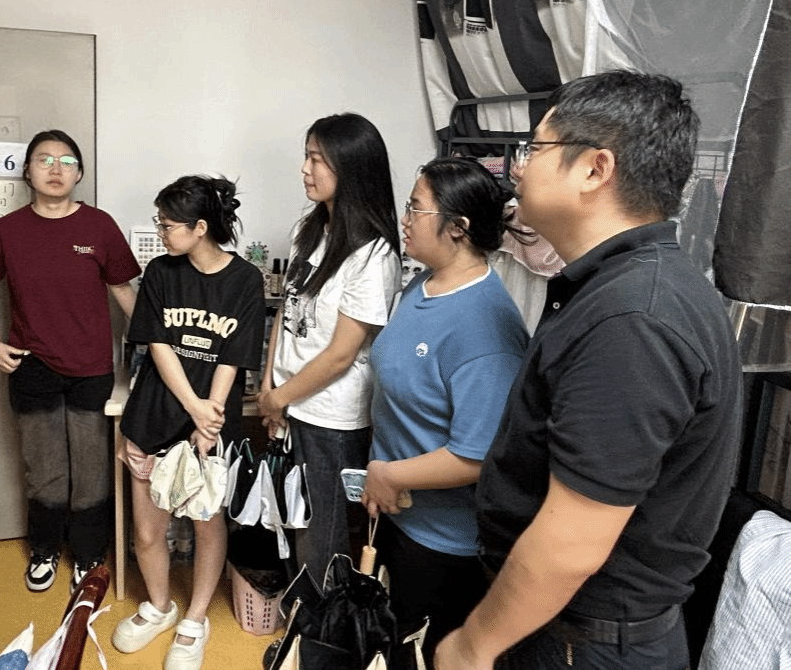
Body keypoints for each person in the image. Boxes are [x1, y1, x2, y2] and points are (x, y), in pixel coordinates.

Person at [434, 71, 744, 670]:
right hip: (562, 626)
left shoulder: (634, 318)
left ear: (595, 169)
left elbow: (572, 542)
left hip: (585, 641)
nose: (518, 167)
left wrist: (472, 647)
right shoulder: (618, 287)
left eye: (535, 149)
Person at [362, 157, 529, 668]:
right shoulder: (423, 285)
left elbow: (476, 456)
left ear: (458, 227)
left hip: (441, 541)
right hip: (395, 512)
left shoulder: (486, 327)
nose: (405, 219)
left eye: (416, 207)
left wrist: (389, 475)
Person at [0, 129, 140, 593]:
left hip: (91, 367)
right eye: (44, 159)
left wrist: (163, 344)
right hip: (32, 367)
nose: (55, 168)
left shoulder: (99, 226)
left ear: (79, 174)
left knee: (91, 469)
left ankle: (88, 555)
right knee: (45, 469)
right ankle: (44, 550)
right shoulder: (4, 231)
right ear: (27, 171)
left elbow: (123, 289)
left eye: (66, 161)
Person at [112, 175, 266, 670]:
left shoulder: (245, 279)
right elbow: (157, 345)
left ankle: (195, 618)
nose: (160, 232)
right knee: (147, 529)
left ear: (200, 227)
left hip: (212, 422)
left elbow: (233, 357)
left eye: (167, 224)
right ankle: (160, 606)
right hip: (155, 412)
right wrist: (193, 406)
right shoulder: (161, 271)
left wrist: (209, 417)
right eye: (159, 223)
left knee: (207, 524)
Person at [258, 112, 402, 577]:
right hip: (290, 404)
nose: (305, 169)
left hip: (331, 419)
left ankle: (323, 620)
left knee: (323, 535)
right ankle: (301, 607)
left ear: (351, 168)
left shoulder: (373, 254)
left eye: (317, 159)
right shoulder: (311, 229)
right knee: (291, 521)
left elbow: (342, 354)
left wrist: (280, 397)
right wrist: (269, 387)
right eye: (306, 156)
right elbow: (286, 312)